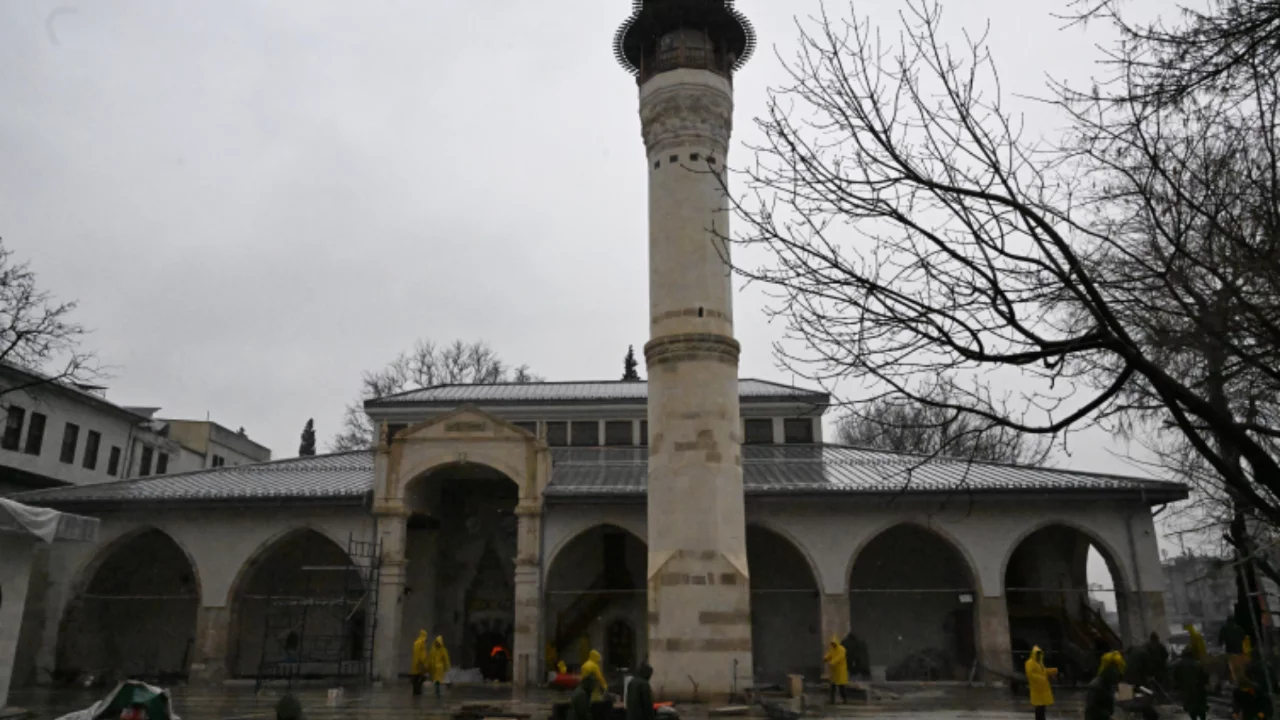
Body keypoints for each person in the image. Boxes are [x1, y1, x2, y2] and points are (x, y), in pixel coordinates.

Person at [1172, 645, 1209, 720]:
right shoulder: (1197, 664)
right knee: (1201, 709)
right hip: (1199, 689)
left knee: (1192, 709)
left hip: (1188, 689)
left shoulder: (1180, 664)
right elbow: (1205, 676)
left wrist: (1178, 686)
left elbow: (1176, 676)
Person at [1085, 652, 1124, 720]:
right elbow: (1091, 708)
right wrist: (1108, 717)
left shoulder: (1108, 683)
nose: (1117, 673)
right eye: (1116, 669)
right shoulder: (1096, 685)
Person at [1024, 645, 1058, 720]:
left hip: (1042, 689)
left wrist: (1053, 671)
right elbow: (1030, 674)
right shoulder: (1030, 663)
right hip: (1037, 689)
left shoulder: (1039, 663)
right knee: (1039, 706)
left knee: (1042, 706)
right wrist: (1041, 679)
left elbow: (1044, 671)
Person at [823, 636, 849, 704]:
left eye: (834, 643)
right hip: (834, 671)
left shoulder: (842, 649)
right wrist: (825, 658)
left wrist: (832, 662)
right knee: (833, 686)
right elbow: (829, 655)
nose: (833, 645)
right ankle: (832, 700)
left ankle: (845, 700)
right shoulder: (832, 649)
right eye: (832, 644)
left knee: (841, 686)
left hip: (840, 671)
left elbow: (839, 657)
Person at [429, 635, 451, 699]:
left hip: (438, 668)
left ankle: (437, 692)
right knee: (437, 681)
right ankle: (438, 692)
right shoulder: (439, 650)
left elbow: (445, 659)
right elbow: (445, 659)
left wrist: (447, 666)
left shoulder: (438, 650)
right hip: (437, 668)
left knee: (437, 681)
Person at [410, 629, 429, 696]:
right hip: (419, 664)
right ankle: (417, 692)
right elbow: (421, 655)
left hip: (417, 664)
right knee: (419, 678)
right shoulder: (420, 643)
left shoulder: (417, 643)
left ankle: (416, 691)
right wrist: (423, 664)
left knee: (416, 679)